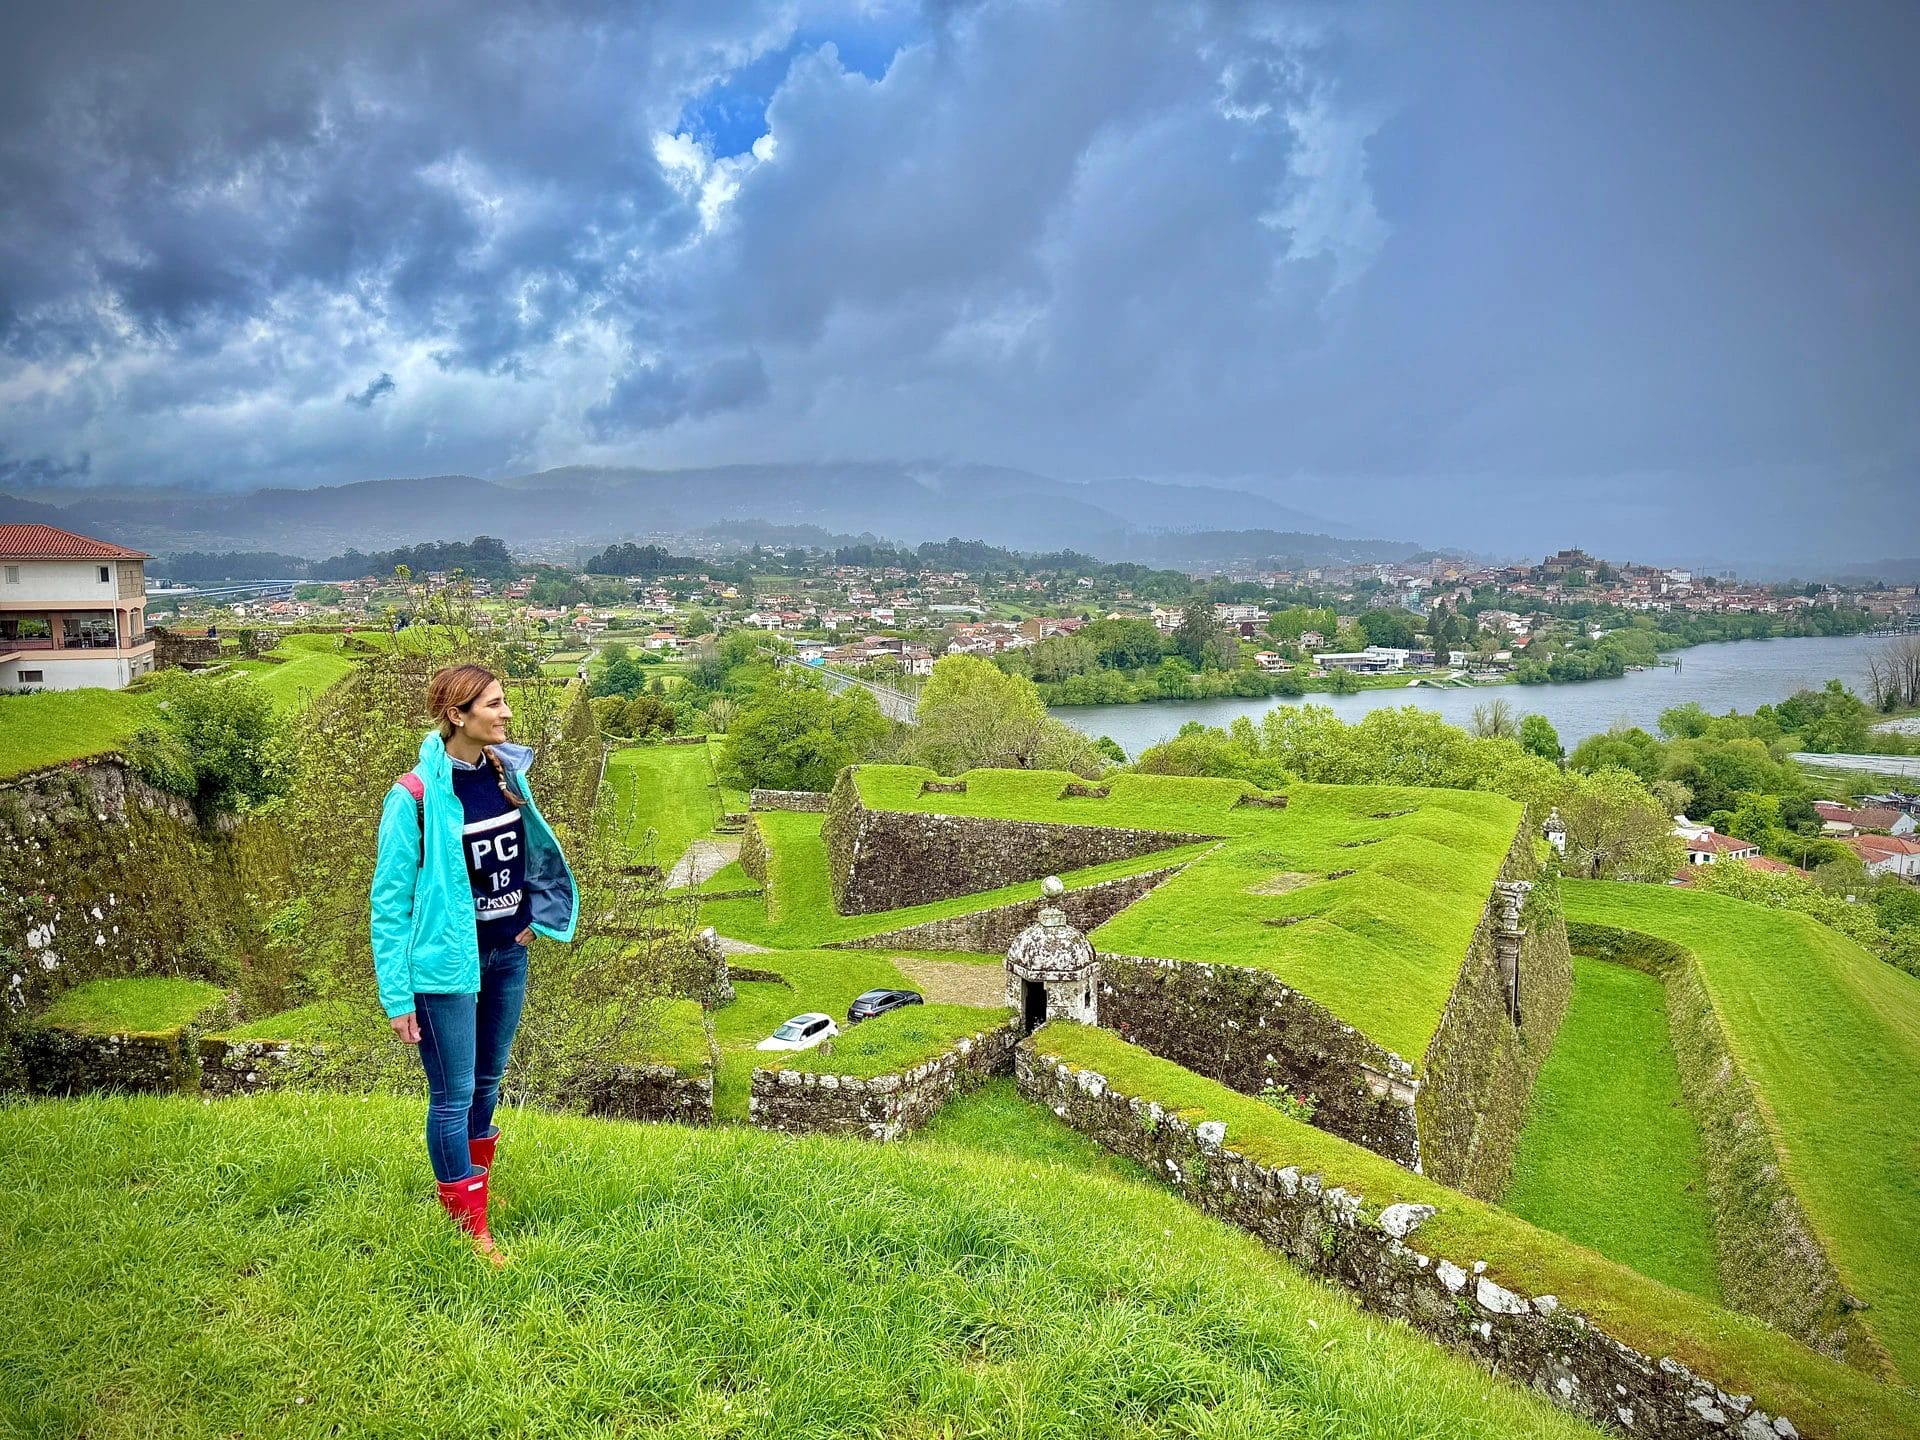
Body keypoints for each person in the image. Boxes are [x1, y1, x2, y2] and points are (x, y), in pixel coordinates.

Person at [369, 663, 577, 1264]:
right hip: (444, 969)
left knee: (489, 1082)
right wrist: (398, 997)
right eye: (493, 704)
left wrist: (530, 921)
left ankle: (476, 1193)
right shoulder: (413, 797)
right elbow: (388, 904)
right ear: (457, 715)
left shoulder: (508, 774)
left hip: (507, 955)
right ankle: (468, 1224)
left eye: (504, 702)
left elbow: (527, 852)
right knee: (454, 1093)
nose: (506, 713)